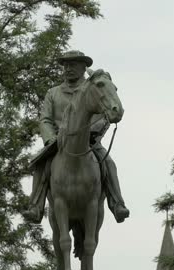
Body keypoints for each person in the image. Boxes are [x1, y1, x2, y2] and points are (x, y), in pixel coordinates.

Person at [22, 50, 129, 224]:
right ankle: (35, 206)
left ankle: (117, 203)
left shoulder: (91, 89)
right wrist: (50, 139)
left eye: (73, 65)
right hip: (58, 141)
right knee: (41, 164)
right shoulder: (53, 93)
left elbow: (103, 116)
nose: (68, 69)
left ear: (83, 67)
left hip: (89, 142)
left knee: (108, 162)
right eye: (65, 65)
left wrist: (92, 133)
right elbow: (45, 119)